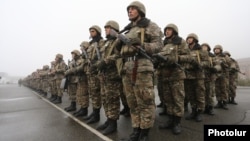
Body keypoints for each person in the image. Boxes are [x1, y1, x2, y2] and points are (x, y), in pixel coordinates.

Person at [119, 1, 163, 140]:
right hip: (128, 67)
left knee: (145, 101)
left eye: (133, 9)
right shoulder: (128, 30)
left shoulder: (151, 26)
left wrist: (142, 45)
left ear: (140, 11)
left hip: (142, 67)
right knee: (132, 103)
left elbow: (159, 46)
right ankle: (136, 129)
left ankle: (144, 132)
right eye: (128, 10)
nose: (129, 11)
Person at [155, 23, 189, 135]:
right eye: (166, 30)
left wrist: (176, 58)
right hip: (165, 76)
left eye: (169, 30)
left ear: (174, 31)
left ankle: (177, 123)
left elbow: (188, 57)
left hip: (176, 76)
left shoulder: (181, 42)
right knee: (168, 100)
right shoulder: (164, 43)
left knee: (178, 99)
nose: (167, 32)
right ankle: (170, 120)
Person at [94, 20, 122, 135]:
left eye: (108, 28)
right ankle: (108, 119)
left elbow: (119, 55)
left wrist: (105, 62)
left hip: (113, 76)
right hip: (104, 76)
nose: (105, 30)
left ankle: (113, 123)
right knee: (105, 99)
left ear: (114, 29)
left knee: (112, 99)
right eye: (105, 28)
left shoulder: (118, 41)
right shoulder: (106, 43)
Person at [184, 33, 209, 122]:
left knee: (200, 95)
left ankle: (199, 112)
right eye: (188, 38)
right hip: (188, 76)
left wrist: (198, 64)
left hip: (198, 76)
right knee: (191, 95)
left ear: (195, 39)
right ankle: (193, 111)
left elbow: (207, 63)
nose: (189, 40)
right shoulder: (185, 50)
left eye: (191, 38)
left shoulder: (201, 51)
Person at [83, 25, 104, 124]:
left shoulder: (101, 42)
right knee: (93, 94)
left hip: (97, 72)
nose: (91, 33)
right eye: (90, 31)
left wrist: (95, 64)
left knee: (96, 94)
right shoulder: (91, 44)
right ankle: (94, 113)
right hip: (90, 73)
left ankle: (96, 115)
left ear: (98, 32)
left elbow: (102, 57)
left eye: (93, 31)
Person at [213, 45, 230, 110]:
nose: (216, 50)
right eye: (215, 49)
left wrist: (224, 64)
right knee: (217, 89)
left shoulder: (225, 57)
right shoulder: (213, 57)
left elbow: (229, 65)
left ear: (220, 50)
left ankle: (225, 102)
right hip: (216, 75)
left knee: (224, 89)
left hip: (223, 75)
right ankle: (219, 102)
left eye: (218, 49)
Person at [201, 43, 215, 115]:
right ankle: (204, 107)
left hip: (209, 77)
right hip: (201, 77)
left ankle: (210, 108)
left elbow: (217, 65)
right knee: (202, 93)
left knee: (209, 94)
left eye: (205, 46)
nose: (204, 48)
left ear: (208, 48)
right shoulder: (199, 55)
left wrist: (215, 68)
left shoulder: (212, 56)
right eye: (202, 46)